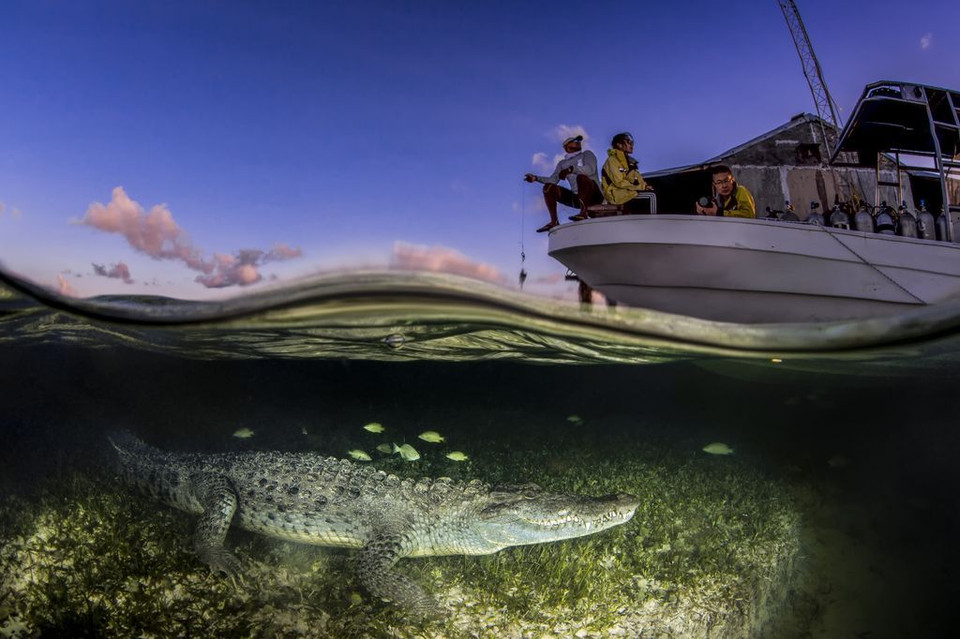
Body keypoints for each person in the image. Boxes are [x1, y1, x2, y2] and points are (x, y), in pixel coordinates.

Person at [524, 135, 602, 232]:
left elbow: (590, 169)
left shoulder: (587, 154)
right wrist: (536, 178)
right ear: (566, 146)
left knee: (582, 178)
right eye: (574, 141)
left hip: (594, 195)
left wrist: (572, 169)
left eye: (579, 140)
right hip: (577, 198)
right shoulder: (562, 164)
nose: (578, 142)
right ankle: (554, 222)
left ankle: (584, 213)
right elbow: (553, 179)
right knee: (548, 188)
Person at [601, 132, 654, 213]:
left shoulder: (630, 162)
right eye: (628, 142)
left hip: (626, 191)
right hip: (615, 194)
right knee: (652, 196)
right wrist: (641, 187)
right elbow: (619, 182)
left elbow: (638, 178)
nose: (632, 145)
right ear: (619, 145)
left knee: (654, 191)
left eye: (632, 143)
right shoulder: (612, 161)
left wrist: (645, 186)